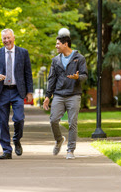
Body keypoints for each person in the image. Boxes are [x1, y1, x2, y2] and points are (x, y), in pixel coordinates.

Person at [0, 29, 33, 160]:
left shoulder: (23, 53)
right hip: (2, 91)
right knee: (3, 122)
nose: (6, 40)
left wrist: (30, 92)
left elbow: (28, 73)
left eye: (8, 38)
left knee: (19, 119)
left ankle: (17, 139)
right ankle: (7, 150)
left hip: (18, 91)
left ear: (13, 38)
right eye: (4, 38)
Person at [43, 28, 88, 160]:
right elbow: (52, 79)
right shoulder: (56, 60)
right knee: (53, 120)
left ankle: (70, 150)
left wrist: (77, 78)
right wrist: (47, 96)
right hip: (58, 94)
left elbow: (85, 75)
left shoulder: (79, 58)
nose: (56, 46)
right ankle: (59, 140)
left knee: (72, 123)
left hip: (74, 94)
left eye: (58, 44)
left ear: (65, 44)